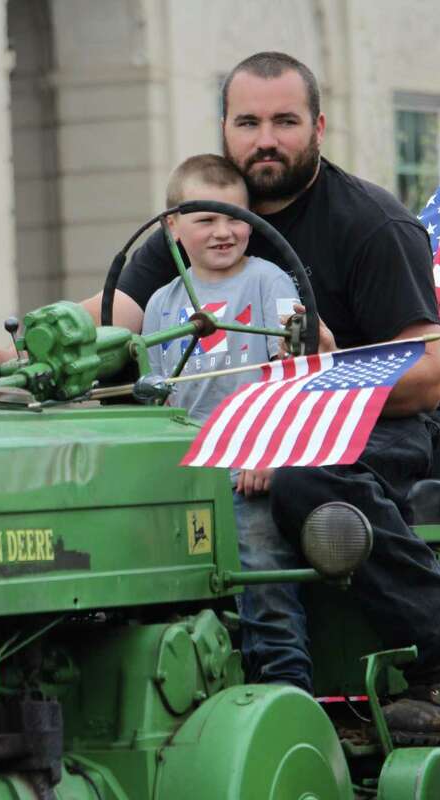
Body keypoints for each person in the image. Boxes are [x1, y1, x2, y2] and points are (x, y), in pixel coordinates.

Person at [0, 51, 440, 741]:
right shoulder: (208, 219)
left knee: (302, 476)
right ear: (226, 129)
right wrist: (19, 352)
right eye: (249, 121)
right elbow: (118, 309)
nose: (267, 138)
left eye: (285, 121)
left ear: (318, 126)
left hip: (373, 420)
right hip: (231, 427)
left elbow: (425, 375)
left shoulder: (369, 224)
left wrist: (292, 412)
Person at [140, 153, 307, 692]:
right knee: (185, 592)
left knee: (262, 582)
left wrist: (266, 449)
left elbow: (294, 370)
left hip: (248, 469)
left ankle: (286, 689)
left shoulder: (269, 281)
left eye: (234, 217)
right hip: (190, 473)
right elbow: (160, 396)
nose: (223, 232)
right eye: (205, 219)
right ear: (172, 228)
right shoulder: (163, 304)